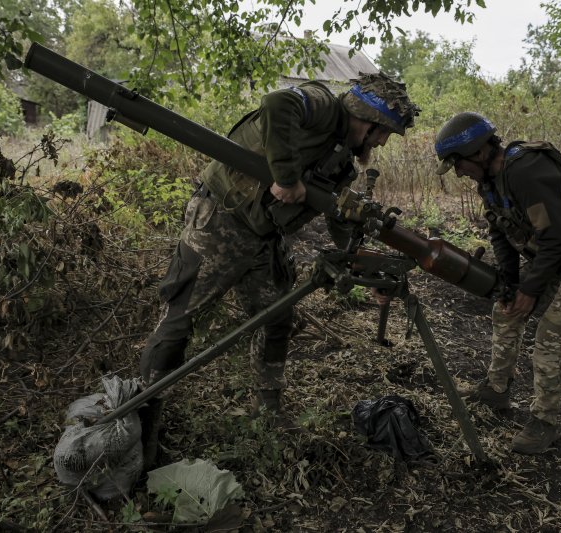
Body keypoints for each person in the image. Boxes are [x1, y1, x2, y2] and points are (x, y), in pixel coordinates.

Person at [138, 73, 420, 466]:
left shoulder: (342, 162)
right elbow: (276, 103)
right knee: (179, 321)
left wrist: (365, 268)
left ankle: (267, 411)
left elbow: (338, 217)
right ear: (367, 117)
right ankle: (140, 425)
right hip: (221, 222)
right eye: (383, 132)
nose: (381, 142)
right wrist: (287, 178)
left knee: (276, 318)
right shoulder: (321, 104)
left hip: (263, 238)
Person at [434, 112, 561, 454]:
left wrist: (530, 289)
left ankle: (544, 423)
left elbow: (558, 237)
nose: (459, 172)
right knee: (505, 310)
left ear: (478, 152)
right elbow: (500, 234)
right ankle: (496, 389)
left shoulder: (525, 171)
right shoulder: (490, 182)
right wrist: (510, 285)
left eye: (458, 163)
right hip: (557, 257)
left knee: (549, 335)